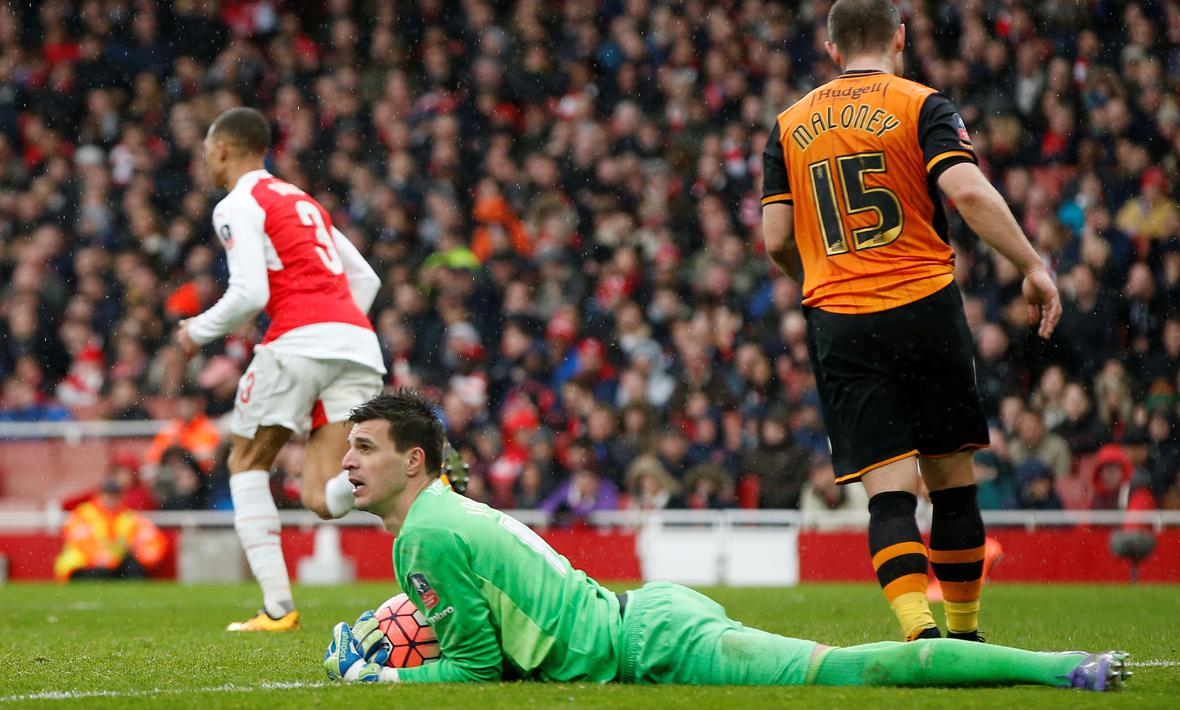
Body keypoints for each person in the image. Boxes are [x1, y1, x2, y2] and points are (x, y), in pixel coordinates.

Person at [321, 389, 1129, 691]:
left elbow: (472, 669)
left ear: (413, 460)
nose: (347, 463)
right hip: (643, 617)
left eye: (364, 449)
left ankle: (1065, 669)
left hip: (651, 647)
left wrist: (383, 679)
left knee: (861, 671)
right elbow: (487, 642)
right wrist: (392, 647)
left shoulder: (420, 537)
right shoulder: (441, 516)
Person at [760, 0, 1062, 642]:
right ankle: (966, 633)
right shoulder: (922, 105)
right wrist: (1032, 266)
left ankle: (918, 633)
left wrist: (823, 279)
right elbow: (970, 192)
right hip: (923, 305)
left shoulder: (788, 125)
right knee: (952, 482)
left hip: (842, 318)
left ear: (832, 47)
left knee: (888, 495)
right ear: (899, 37)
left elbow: (778, 241)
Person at [172, 107, 385, 631]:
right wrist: (336, 330)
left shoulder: (238, 203)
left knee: (246, 462)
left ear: (222, 148)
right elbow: (369, 280)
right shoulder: (302, 200)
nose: (204, 158)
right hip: (357, 344)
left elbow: (250, 293)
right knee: (322, 495)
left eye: (206, 148)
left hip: (297, 341)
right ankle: (418, 479)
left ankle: (276, 609)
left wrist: (197, 331)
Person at [53, 477, 167, 582]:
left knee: (134, 570)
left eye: (115, 495)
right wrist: (106, 558)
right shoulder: (85, 513)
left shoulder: (128, 517)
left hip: (113, 566)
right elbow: (81, 541)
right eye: (108, 495)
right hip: (83, 565)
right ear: (100, 495)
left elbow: (152, 541)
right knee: (100, 574)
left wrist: (140, 554)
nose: (111, 499)